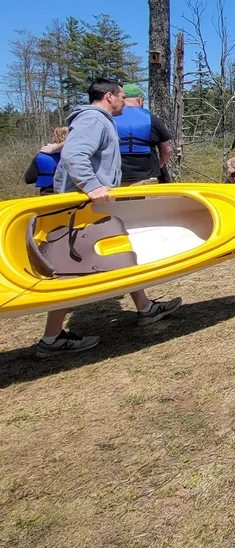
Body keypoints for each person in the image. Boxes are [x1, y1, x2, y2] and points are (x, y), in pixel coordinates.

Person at [35, 78, 182, 359]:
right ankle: (51, 339)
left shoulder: (96, 120)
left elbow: (72, 149)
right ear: (110, 97)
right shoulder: (93, 119)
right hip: (80, 207)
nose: (124, 102)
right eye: (121, 96)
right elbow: (75, 155)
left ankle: (145, 308)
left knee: (119, 255)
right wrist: (91, 185)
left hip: (90, 205)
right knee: (71, 269)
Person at [115, 82, 174, 186]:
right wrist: (160, 164)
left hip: (115, 180)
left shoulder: (109, 119)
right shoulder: (152, 119)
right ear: (139, 99)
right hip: (146, 179)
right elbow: (167, 150)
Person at [23, 126, 69, 195]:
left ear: (54, 137)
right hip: (72, 194)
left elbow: (29, 179)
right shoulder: (75, 154)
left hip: (48, 194)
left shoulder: (41, 156)